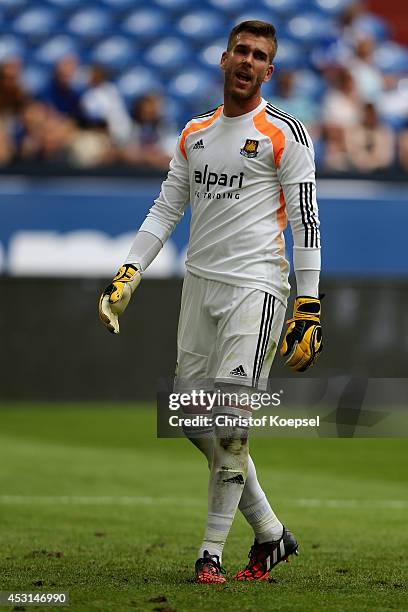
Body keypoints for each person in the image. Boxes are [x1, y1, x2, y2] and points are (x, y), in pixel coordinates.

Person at [99, 20, 322, 584]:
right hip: (198, 287)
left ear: (269, 71)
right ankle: (271, 532)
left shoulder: (286, 134)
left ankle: (210, 555)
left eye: (259, 56)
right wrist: (129, 272)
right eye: (240, 51)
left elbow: (307, 225)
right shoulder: (194, 133)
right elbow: (165, 209)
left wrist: (309, 306)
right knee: (190, 417)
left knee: (229, 424)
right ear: (223, 60)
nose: (248, 61)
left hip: (258, 289)